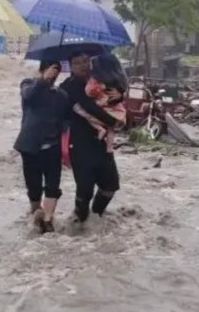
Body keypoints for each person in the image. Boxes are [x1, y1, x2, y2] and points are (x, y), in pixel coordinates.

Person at [60, 51, 124, 223]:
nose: (82, 65)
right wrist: (113, 121)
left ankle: (96, 216)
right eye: (77, 62)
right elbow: (88, 106)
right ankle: (80, 221)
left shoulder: (99, 80)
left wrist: (120, 95)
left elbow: (114, 96)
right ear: (70, 66)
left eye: (85, 61)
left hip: (102, 144)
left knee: (111, 185)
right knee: (85, 189)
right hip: (79, 143)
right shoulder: (68, 86)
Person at [13, 59, 67, 233]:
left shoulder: (60, 95)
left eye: (56, 73)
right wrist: (43, 80)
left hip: (52, 146)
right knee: (34, 187)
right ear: (42, 70)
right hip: (30, 146)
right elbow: (29, 96)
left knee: (52, 185)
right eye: (51, 72)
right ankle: (35, 213)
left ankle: (48, 219)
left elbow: (65, 119)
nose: (53, 76)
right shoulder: (28, 85)